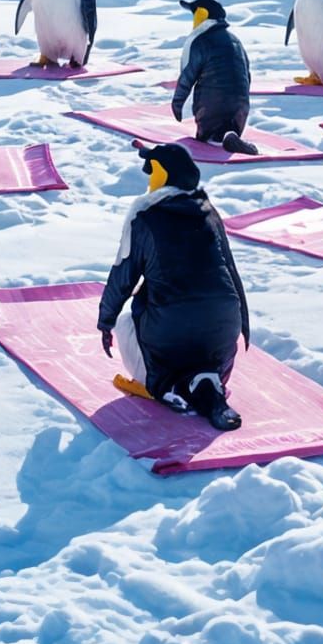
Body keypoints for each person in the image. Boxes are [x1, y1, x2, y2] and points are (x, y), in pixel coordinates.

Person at [98, 141, 250, 431]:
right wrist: (242, 327)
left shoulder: (144, 214)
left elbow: (123, 275)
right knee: (193, 319)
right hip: (221, 340)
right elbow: (230, 272)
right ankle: (206, 379)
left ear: (161, 175)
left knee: (125, 320)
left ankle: (165, 385)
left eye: (150, 171)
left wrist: (105, 322)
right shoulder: (209, 212)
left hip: (168, 339)